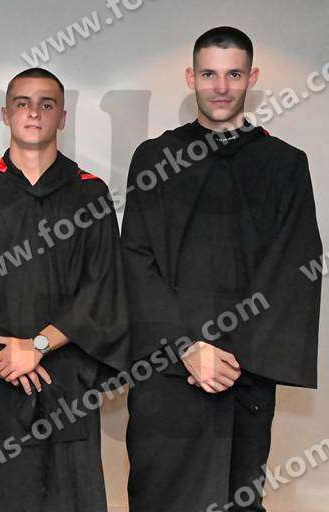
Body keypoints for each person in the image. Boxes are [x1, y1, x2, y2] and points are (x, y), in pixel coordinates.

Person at [123, 26, 322, 512]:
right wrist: (187, 348)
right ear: (191, 77)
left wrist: (230, 357)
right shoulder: (155, 159)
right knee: (162, 499)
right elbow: (135, 261)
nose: (221, 87)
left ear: (252, 78)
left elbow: (294, 268)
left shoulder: (283, 164)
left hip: (244, 373)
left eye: (234, 74)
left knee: (238, 501)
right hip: (167, 370)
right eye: (209, 74)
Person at [0, 67, 130, 511]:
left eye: (46, 104)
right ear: (5, 114)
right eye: (22, 103)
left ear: (63, 117)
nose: (34, 113)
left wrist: (37, 346)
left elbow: (103, 289)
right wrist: (5, 356)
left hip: (67, 381)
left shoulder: (90, 195)